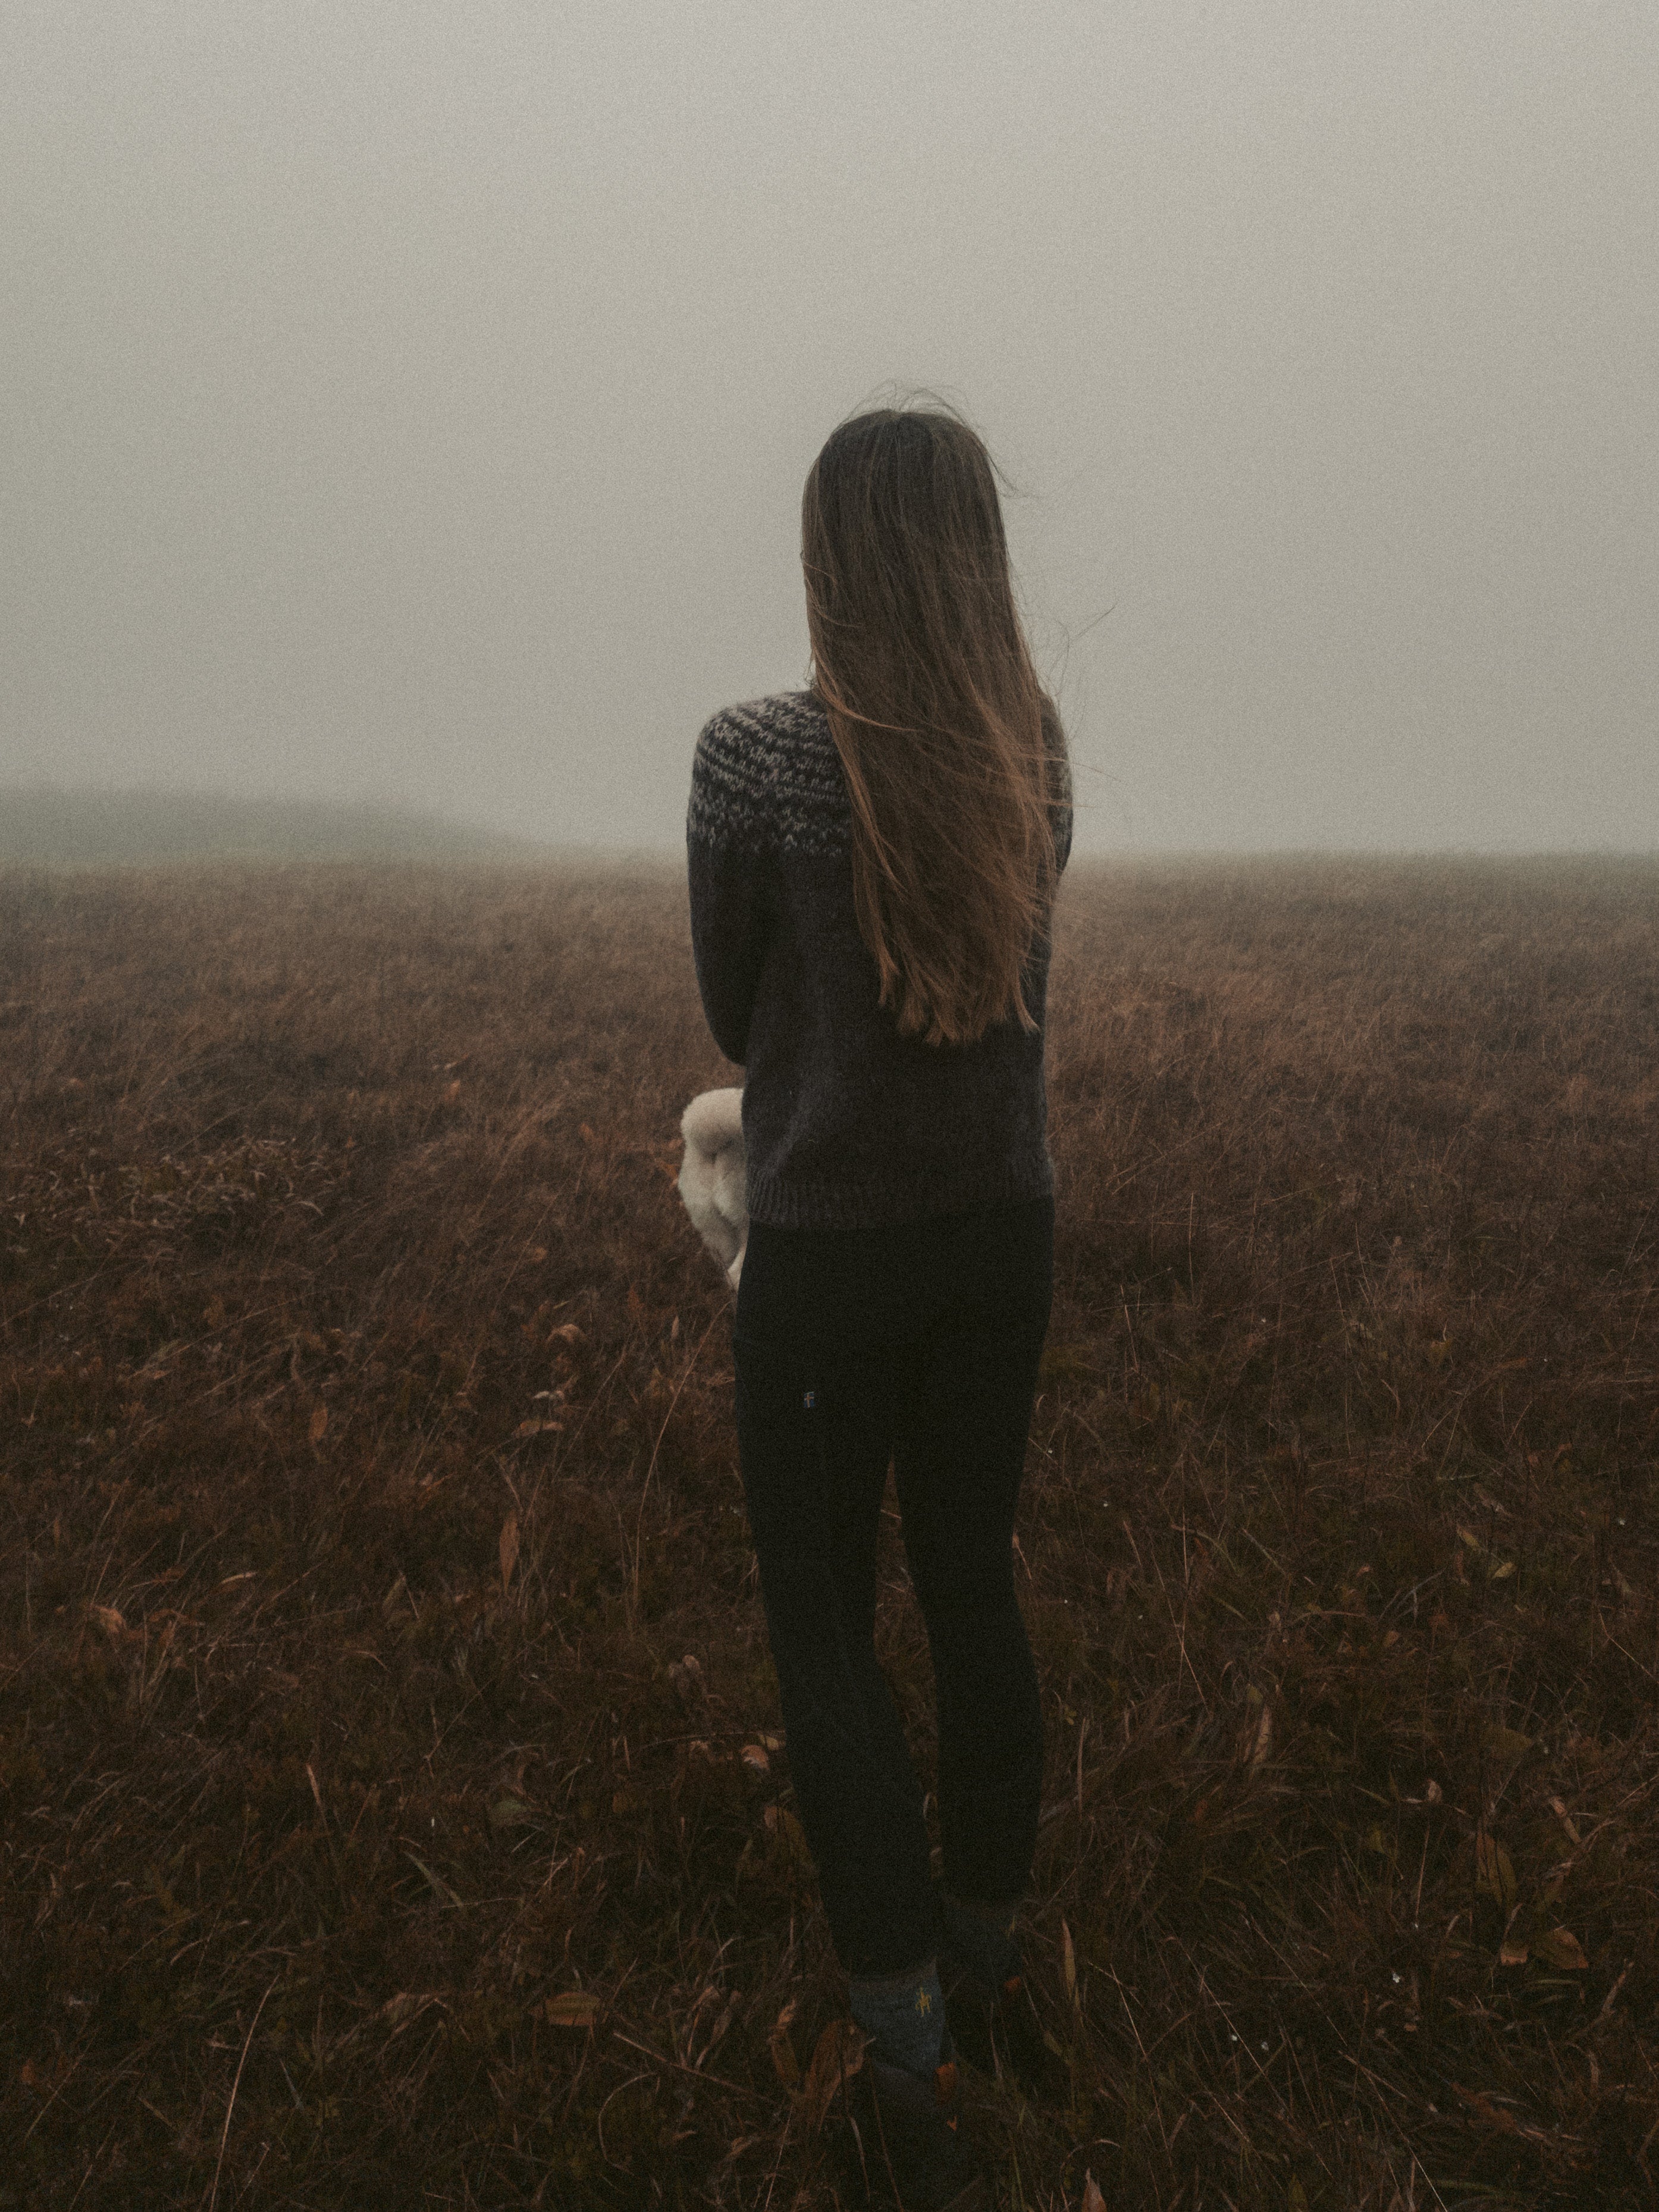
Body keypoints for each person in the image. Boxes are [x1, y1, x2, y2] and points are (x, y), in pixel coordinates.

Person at [685, 402, 1072, 2211]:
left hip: (831, 1254)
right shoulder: (1036, 748)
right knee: (974, 1574)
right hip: (1002, 1231)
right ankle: (990, 1957)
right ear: (977, 550)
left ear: (832, 555)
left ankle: (907, 2045)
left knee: (829, 1633)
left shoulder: (752, 761)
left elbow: (724, 1006)